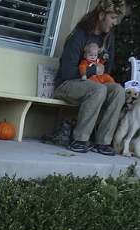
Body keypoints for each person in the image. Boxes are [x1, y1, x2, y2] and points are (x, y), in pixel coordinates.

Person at [54, 0, 125, 155]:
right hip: (67, 85)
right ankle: (78, 139)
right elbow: (67, 73)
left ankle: (103, 142)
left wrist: (100, 77)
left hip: (94, 85)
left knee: (118, 91)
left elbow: (107, 68)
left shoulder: (109, 39)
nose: (115, 22)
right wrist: (93, 72)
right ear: (101, 15)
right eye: (112, 18)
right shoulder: (79, 37)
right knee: (99, 89)